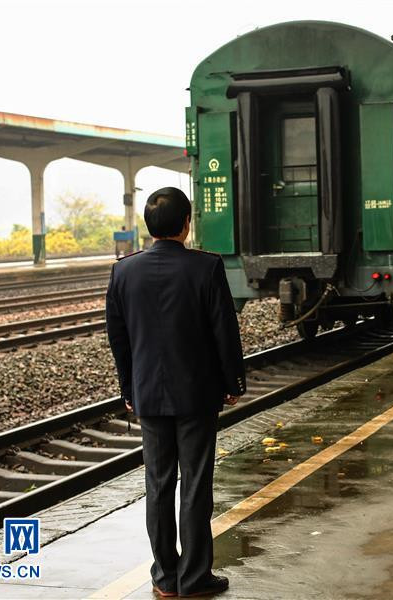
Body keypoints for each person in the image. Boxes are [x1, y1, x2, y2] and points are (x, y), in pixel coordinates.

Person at [106, 187, 245, 598]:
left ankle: (165, 577)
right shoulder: (206, 268)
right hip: (197, 395)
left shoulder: (124, 271)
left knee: (159, 484)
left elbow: (119, 338)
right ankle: (195, 576)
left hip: (148, 394)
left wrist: (128, 388)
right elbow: (225, 331)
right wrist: (232, 381)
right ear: (187, 224)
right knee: (196, 483)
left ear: (150, 227)